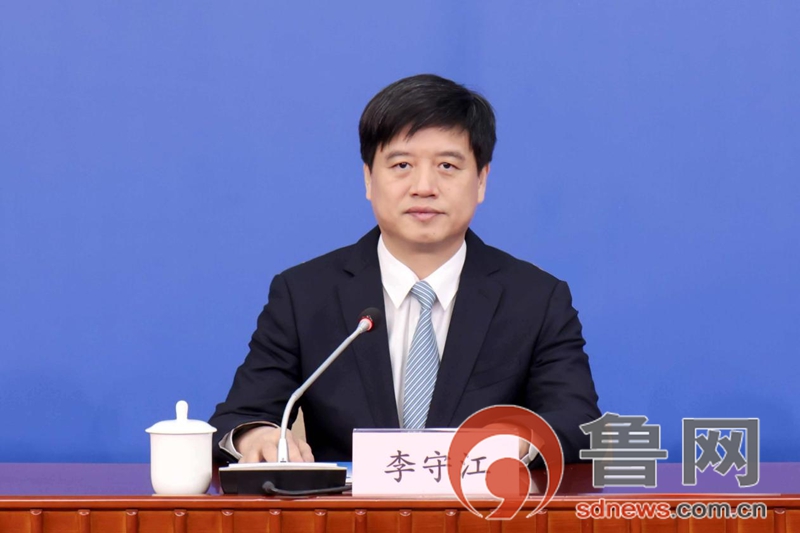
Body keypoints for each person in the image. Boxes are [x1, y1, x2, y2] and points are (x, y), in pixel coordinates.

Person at [209, 74, 600, 465]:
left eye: (447, 165)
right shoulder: (304, 295)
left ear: (481, 180)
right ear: (368, 178)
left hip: (482, 502)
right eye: (401, 164)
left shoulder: (536, 299)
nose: (424, 186)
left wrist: (522, 439)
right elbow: (236, 419)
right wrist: (256, 435)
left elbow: (580, 424)